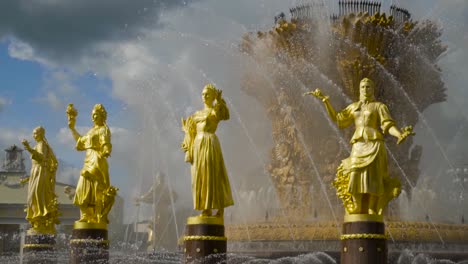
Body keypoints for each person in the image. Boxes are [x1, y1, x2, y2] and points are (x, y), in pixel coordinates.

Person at [305, 78, 414, 215]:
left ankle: (371, 206)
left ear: (372, 89)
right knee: (355, 172)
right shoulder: (353, 107)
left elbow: (387, 125)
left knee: (374, 176)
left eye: (368, 87)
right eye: (362, 87)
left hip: (375, 144)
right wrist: (325, 101)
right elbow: (338, 119)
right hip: (358, 144)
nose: (365, 89)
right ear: (359, 90)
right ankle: (357, 204)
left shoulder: (379, 106)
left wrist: (399, 135)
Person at [181, 84, 234, 218]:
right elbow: (190, 132)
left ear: (213, 96)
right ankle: (205, 208)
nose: (204, 96)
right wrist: (188, 148)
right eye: (203, 94)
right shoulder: (196, 114)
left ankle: (218, 209)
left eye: (207, 94)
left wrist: (220, 101)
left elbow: (225, 115)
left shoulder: (214, 110)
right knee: (199, 176)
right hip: (197, 147)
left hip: (210, 143)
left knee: (212, 175)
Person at [68, 103, 116, 224]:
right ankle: (86, 215)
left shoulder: (103, 129)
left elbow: (106, 142)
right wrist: (72, 128)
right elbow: (80, 142)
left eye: (97, 115)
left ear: (102, 117)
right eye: (93, 115)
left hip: (97, 159)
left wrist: (106, 151)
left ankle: (97, 214)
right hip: (88, 159)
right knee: (82, 188)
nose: (94, 117)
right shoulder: (91, 131)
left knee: (96, 187)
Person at [22, 126, 59, 233]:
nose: (34, 135)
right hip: (36, 172)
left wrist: (29, 148)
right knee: (33, 197)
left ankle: (41, 217)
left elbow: (42, 157)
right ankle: (37, 219)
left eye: (36, 133)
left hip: (40, 171)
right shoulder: (38, 145)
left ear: (41, 134)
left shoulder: (42, 144)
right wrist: (28, 179)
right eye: (33, 133)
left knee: (37, 195)